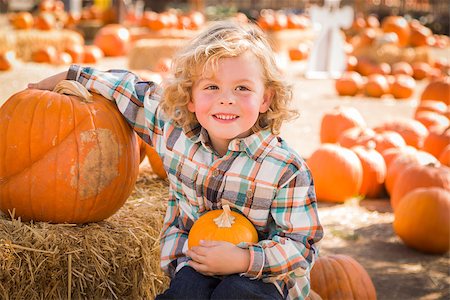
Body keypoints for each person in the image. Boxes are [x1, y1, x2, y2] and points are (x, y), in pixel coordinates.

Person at [28, 20, 323, 300]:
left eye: (242, 88)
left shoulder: (285, 168)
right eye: (211, 87)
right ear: (190, 97)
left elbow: (301, 246)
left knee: (236, 293)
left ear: (265, 99)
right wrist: (70, 76)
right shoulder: (174, 132)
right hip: (195, 265)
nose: (226, 99)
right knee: (186, 291)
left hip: (262, 281)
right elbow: (129, 90)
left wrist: (244, 258)